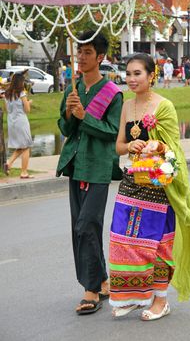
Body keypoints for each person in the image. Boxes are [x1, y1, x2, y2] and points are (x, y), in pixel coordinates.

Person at [109, 53, 190, 320]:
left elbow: (174, 148)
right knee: (123, 238)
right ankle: (134, 296)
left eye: (137, 73)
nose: (131, 79)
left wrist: (156, 145)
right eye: (128, 74)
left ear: (152, 75)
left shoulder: (164, 106)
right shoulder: (127, 106)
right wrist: (131, 146)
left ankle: (160, 300)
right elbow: (119, 146)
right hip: (131, 181)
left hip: (158, 185)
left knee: (156, 243)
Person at [56, 30, 123, 315]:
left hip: (97, 167)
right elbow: (65, 129)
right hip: (75, 165)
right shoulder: (73, 90)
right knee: (81, 227)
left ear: (101, 57)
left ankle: (91, 289)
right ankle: (104, 280)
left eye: (87, 53)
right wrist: (70, 115)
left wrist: (86, 116)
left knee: (87, 225)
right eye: (78, 52)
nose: (81, 58)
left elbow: (112, 133)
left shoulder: (113, 93)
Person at [4, 72, 34, 178]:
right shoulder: (21, 93)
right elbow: (27, 110)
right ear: (20, 82)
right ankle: (24, 172)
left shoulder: (7, 94)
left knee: (22, 146)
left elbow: (7, 109)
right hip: (21, 121)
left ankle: (8, 163)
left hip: (11, 122)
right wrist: (29, 103)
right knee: (26, 146)